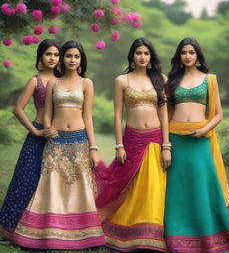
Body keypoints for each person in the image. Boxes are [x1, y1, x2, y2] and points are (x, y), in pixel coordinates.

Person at [3, 40, 105, 249]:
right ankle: (47, 233)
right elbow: (47, 113)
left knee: (79, 189)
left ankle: (82, 234)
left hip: (79, 140)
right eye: (68, 56)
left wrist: (93, 148)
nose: (72, 60)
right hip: (55, 141)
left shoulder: (87, 83)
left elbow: (88, 118)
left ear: (81, 60)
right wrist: (47, 130)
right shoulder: (52, 83)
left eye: (76, 56)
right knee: (51, 187)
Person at [164, 37, 229, 253]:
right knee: (178, 189)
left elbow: (219, 114)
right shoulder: (172, 80)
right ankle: (176, 234)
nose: (188, 56)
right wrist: (166, 144)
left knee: (203, 186)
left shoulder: (210, 79)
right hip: (176, 139)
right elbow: (166, 115)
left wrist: (204, 130)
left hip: (201, 139)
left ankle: (209, 232)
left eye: (191, 52)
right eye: (184, 52)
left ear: (198, 56)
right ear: (179, 57)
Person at [94, 37, 170, 252]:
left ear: (151, 57)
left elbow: (164, 115)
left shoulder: (160, 79)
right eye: (138, 53)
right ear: (132, 57)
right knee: (126, 185)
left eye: (146, 53)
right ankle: (125, 229)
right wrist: (119, 145)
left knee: (153, 188)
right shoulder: (122, 81)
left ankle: (151, 235)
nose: (143, 57)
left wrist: (166, 146)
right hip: (132, 139)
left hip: (155, 140)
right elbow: (118, 115)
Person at [0, 39, 60, 239]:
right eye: (48, 54)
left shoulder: (63, 79)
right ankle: (10, 229)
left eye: (56, 54)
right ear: (40, 57)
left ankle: (43, 229)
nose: (52, 58)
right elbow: (17, 109)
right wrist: (35, 131)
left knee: (51, 183)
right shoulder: (36, 80)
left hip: (59, 138)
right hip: (38, 134)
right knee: (26, 179)